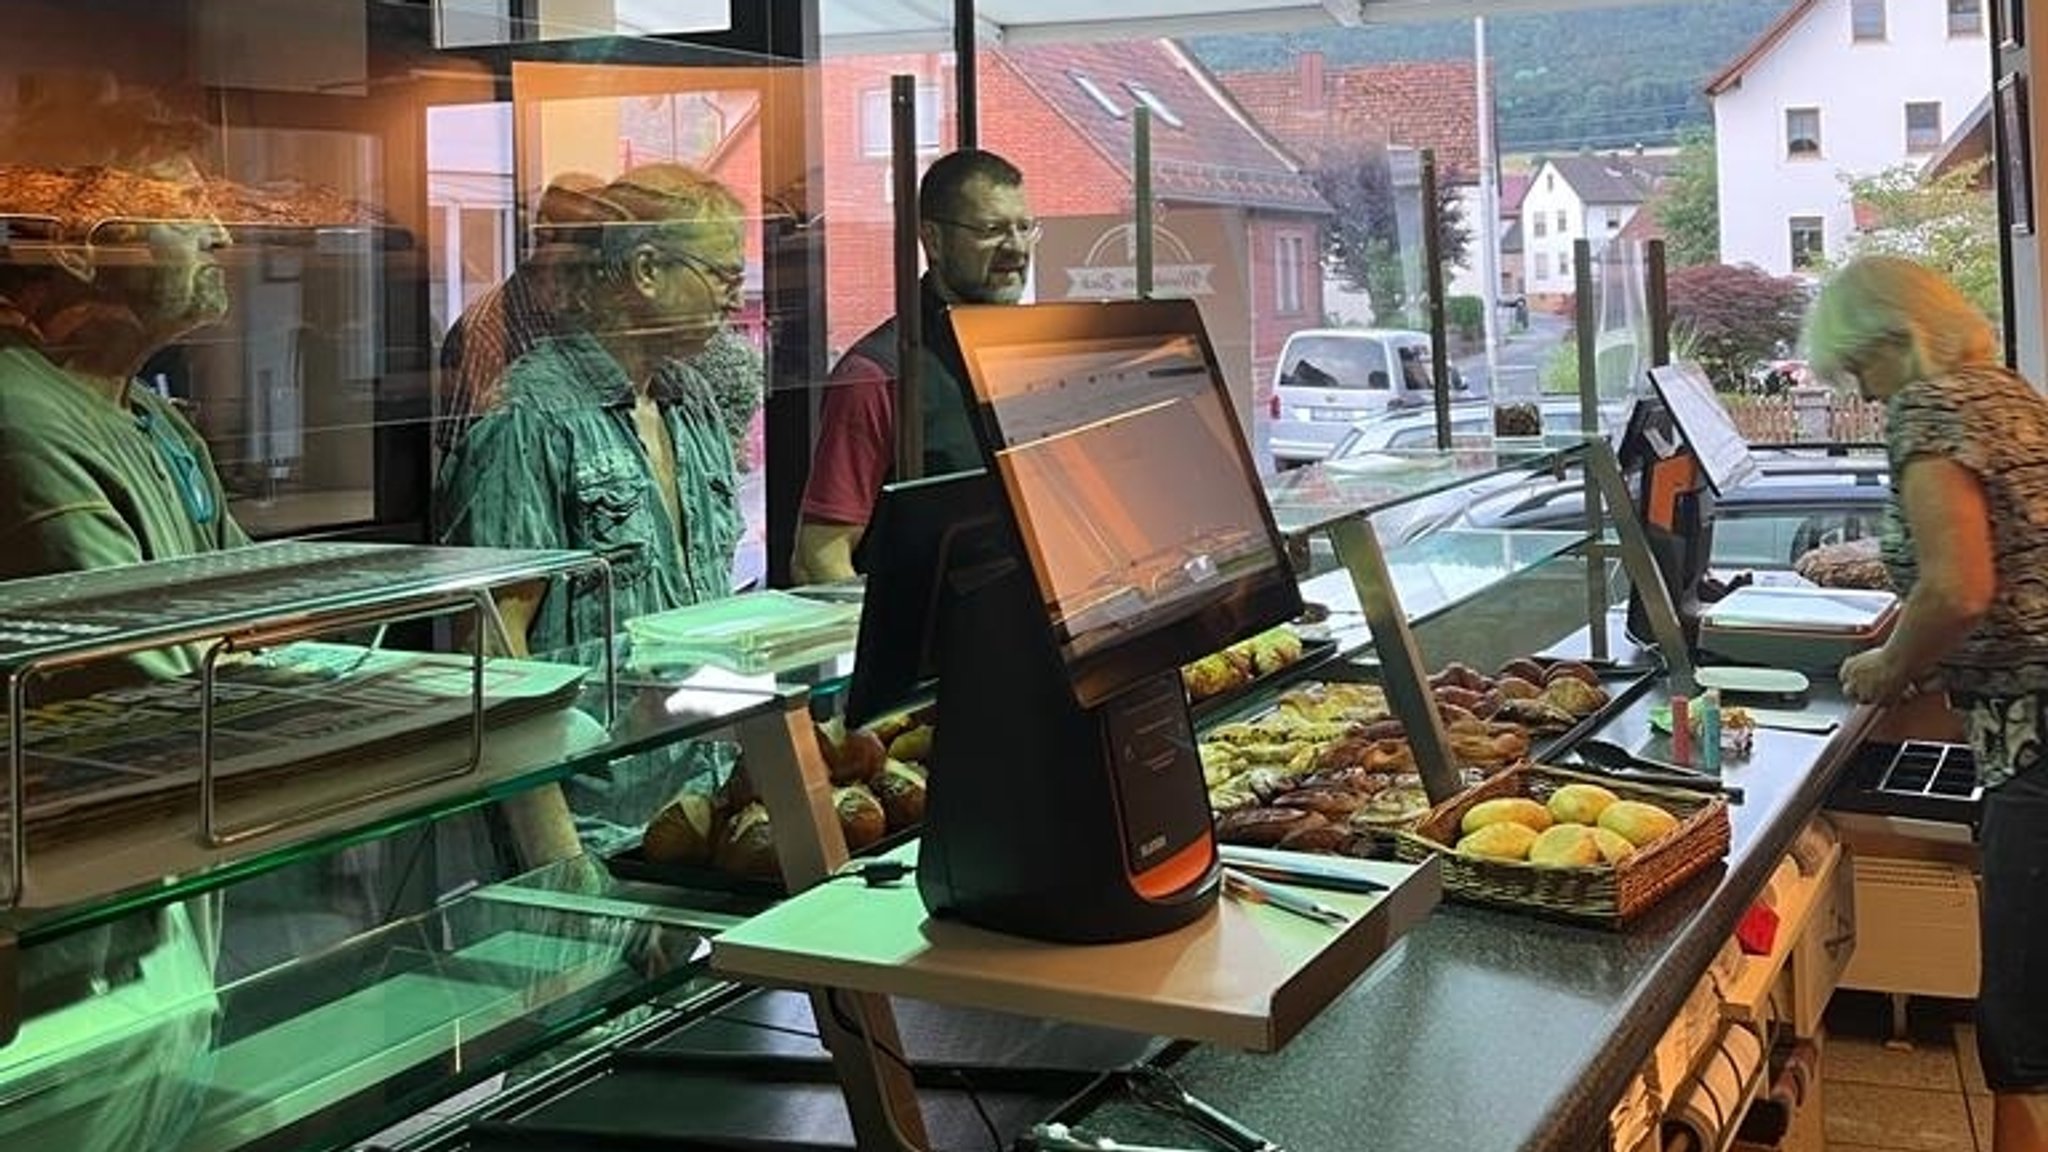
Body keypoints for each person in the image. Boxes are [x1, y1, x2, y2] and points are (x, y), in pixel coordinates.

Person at [1807, 254, 2048, 1152]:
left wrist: (1887, 663)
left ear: (1893, 344)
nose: (1864, 394)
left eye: (1858, 369)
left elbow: (1960, 587)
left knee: (2025, 1030)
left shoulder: (1929, 406)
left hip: (2038, 733)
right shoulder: (2004, 391)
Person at [435, 162, 747, 658]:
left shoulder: (690, 400)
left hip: (695, 725)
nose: (734, 301)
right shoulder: (529, 417)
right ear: (646, 270)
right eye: (723, 277)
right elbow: (493, 641)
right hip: (594, 732)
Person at [792, 148, 1035, 584]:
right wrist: (892, 648)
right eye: (992, 230)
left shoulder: (1032, 353)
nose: (1015, 248)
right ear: (934, 240)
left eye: (1024, 227)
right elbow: (818, 561)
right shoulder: (876, 375)